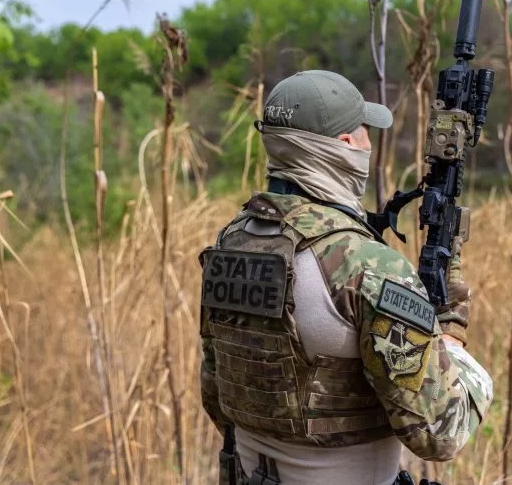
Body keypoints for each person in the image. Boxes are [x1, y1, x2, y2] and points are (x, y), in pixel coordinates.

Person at [199, 70, 492, 485]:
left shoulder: (230, 242)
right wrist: (451, 340)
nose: (370, 143)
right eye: (364, 131)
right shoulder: (367, 267)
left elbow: (216, 394)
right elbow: (441, 434)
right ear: (345, 145)